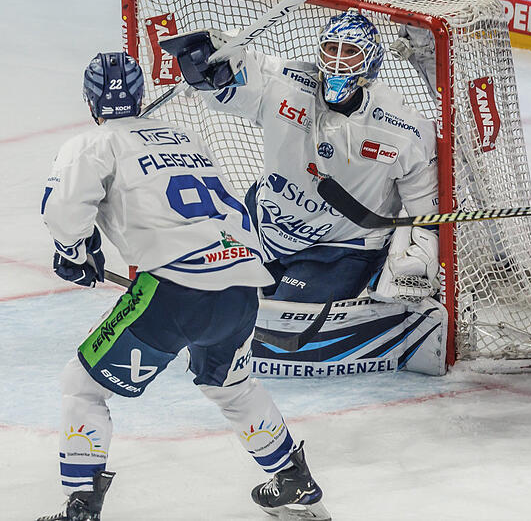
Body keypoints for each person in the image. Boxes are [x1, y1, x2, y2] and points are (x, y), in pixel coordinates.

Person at [37, 52, 330, 520]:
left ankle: (81, 507)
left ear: (90, 101)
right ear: (140, 95)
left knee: (82, 387)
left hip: (174, 292)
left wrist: (74, 254)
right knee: (232, 386)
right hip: (240, 287)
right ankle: (292, 478)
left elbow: (63, 212)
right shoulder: (186, 138)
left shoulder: (94, 142)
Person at [161, 9, 440, 305]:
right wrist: (214, 66)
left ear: (370, 62)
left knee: (281, 327)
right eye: (332, 48)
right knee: (213, 307)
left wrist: (419, 251)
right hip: (268, 224)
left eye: (351, 52)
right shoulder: (286, 84)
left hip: (341, 247)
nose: (337, 61)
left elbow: (425, 209)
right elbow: (243, 76)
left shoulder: (404, 129)